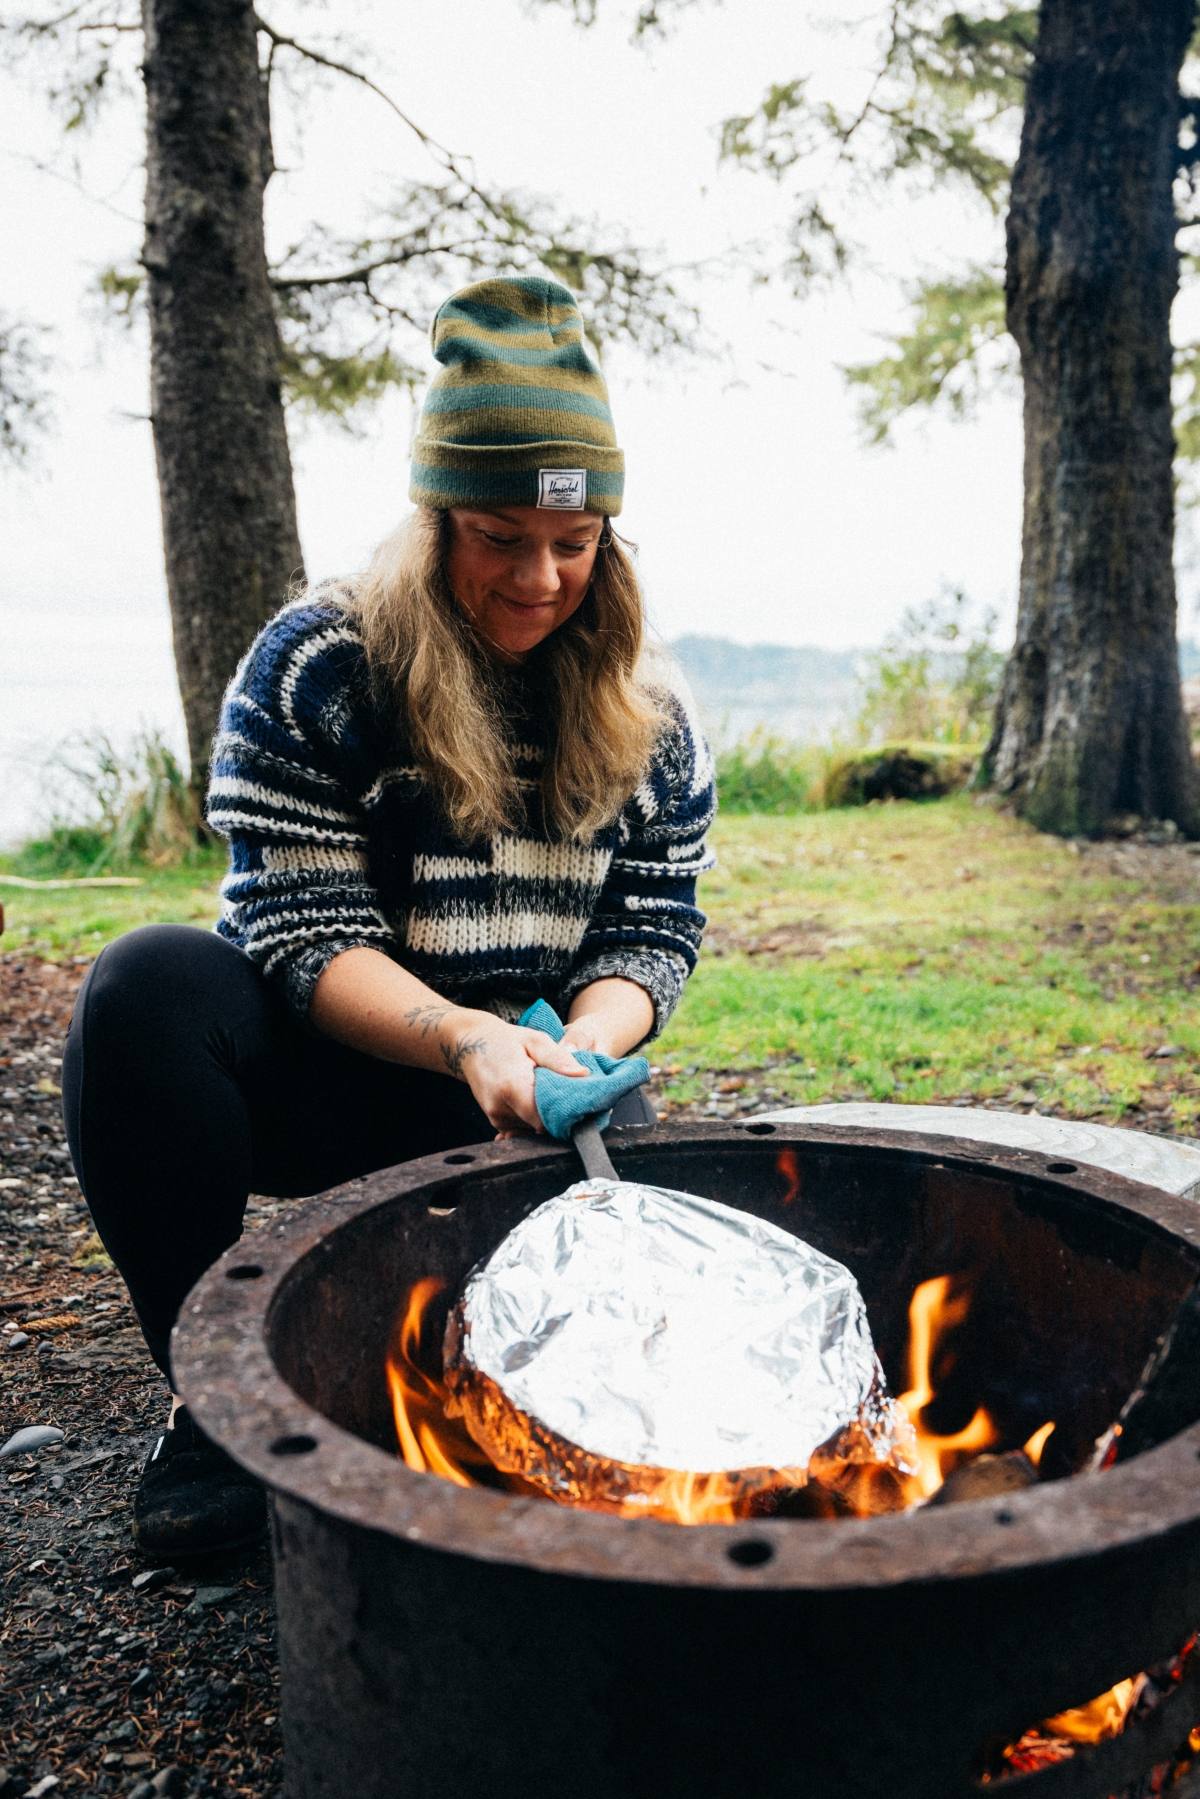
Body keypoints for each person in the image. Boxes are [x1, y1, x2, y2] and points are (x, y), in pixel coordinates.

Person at [62, 274, 716, 1556]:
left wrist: (585, 1039)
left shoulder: (655, 714)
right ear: (433, 524)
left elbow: (655, 924)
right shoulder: (320, 664)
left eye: (573, 546)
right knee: (142, 989)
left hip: (533, 1089)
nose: (540, 579)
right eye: (498, 535)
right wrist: (464, 1036)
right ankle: (217, 1400)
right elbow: (299, 931)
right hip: (348, 1067)